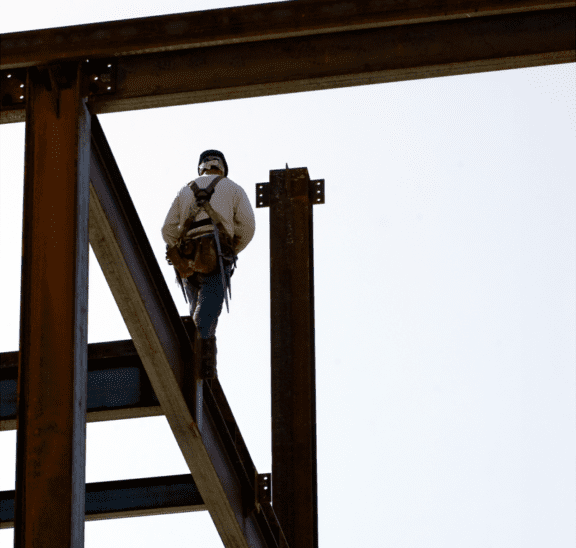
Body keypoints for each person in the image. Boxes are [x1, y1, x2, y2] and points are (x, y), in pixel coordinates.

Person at [161, 150, 255, 373]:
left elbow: (167, 230)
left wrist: (179, 249)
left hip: (187, 258)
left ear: (200, 168)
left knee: (196, 305)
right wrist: (231, 249)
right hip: (217, 256)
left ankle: (189, 351)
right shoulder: (233, 188)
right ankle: (202, 359)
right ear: (222, 168)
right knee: (208, 308)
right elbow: (248, 227)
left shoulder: (185, 190)